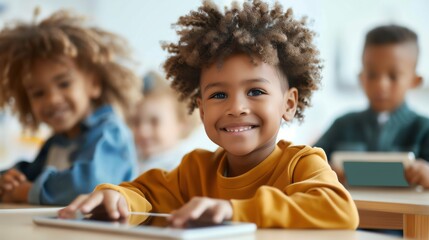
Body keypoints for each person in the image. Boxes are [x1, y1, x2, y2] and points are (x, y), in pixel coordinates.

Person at [59, 0, 359, 229]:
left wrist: (234, 211)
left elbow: (339, 209)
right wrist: (118, 198)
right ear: (201, 110)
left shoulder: (301, 163)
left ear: (289, 104)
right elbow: (145, 195)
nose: (236, 107)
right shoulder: (195, 171)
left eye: (255, 91)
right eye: (218, 95)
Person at [0, 9, 141, 205]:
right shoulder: (56, 142)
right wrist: (8, 180)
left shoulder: (110, 133)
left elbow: (88, 185)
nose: (52, 99)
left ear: (94, 84)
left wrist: (26, 192)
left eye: (64, 84)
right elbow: (32, 174)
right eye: (38, 93)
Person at [314, 25, 429, 187]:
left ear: (415, 81)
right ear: (361, 77)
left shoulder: (423, 129)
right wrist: (325, 170)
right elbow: (307, 164)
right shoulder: (342, 125)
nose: (381, 85)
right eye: (372, 74)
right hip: (350, 210)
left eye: (393, 76)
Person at [131, 71, 199, 173]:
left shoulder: (184, 168)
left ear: (181, 123)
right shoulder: (129, 160)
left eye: (154, 122)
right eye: (136, 122)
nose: (143, 131)